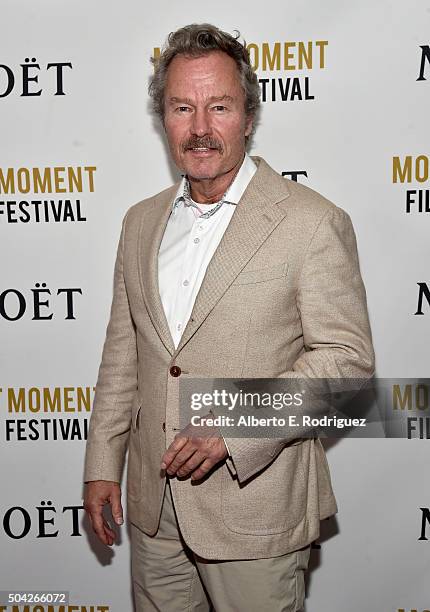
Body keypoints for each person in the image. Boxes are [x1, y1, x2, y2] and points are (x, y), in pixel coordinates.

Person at [83, 23, 375, 611]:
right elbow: (125, 353)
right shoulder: (140, 222)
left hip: (255, 512)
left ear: (248, 114)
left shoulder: (311, 221)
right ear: (162, 117)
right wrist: (102, 465)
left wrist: (234, 423)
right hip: (153, 512)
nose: (199, 128)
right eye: (181, 107)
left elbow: (348, 364)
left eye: (218, 107)